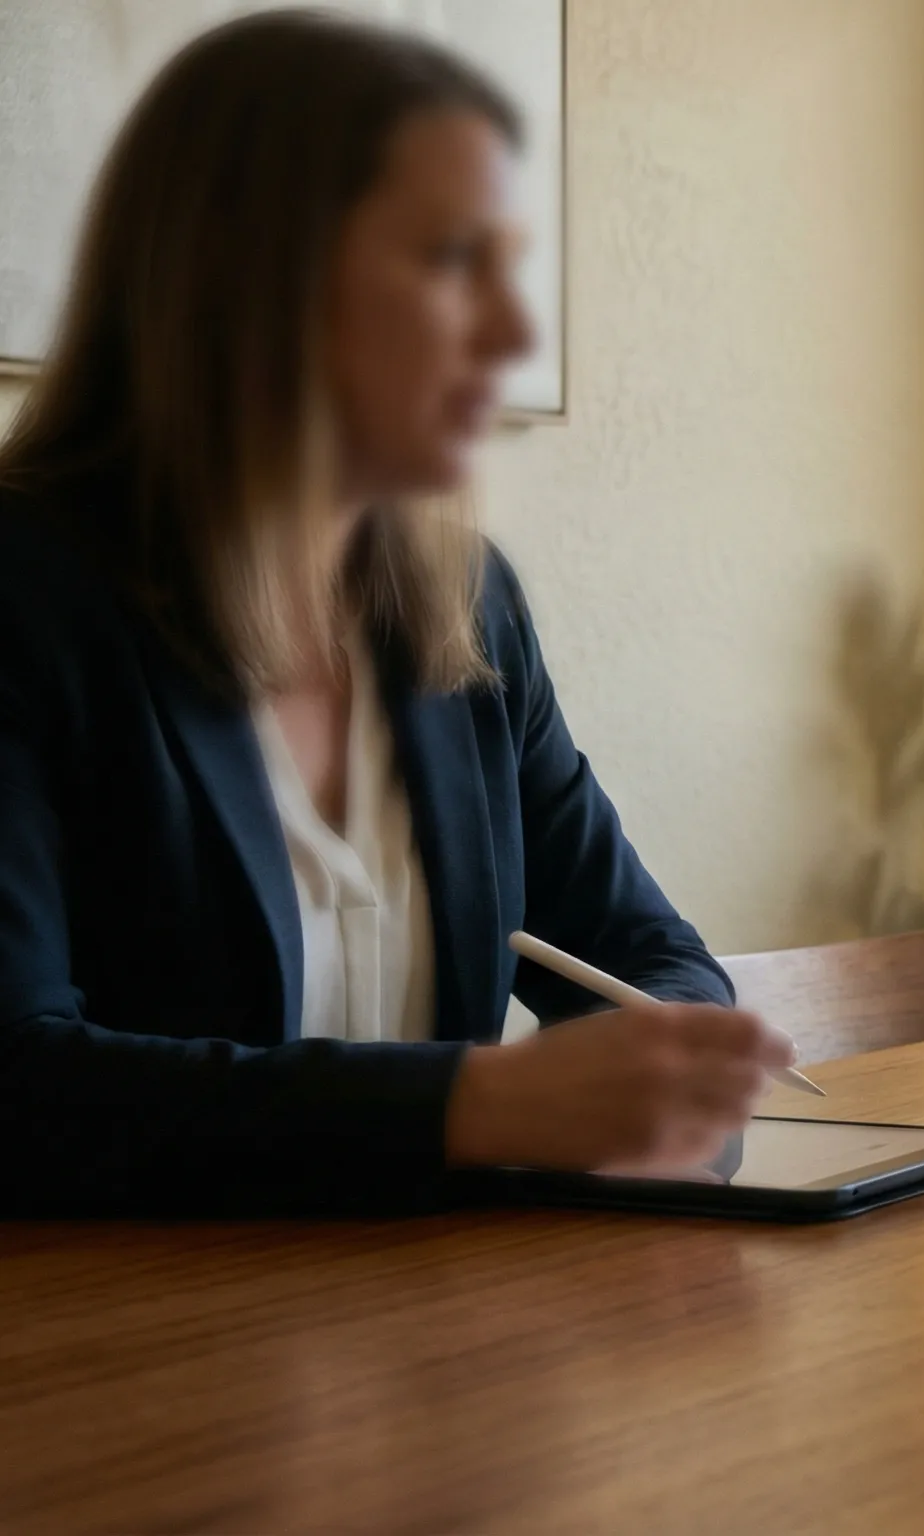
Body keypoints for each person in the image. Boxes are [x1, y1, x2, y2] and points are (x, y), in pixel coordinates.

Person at [0, 11, 794, 1215]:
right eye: (450, 260)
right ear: (252, 273)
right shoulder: (28, 593)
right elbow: (18, 1088)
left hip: (439, 1358)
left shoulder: (465, 602)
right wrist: (476, 1106)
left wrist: (678, 1085)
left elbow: (653, 962)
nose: (517, 333)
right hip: (107, 1376)